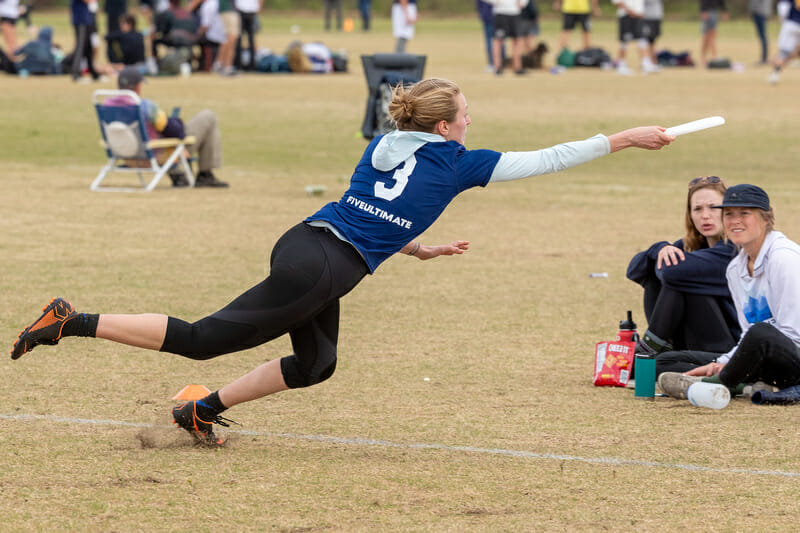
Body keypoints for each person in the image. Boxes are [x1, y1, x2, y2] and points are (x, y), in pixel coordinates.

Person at [10, 78, 673, 446]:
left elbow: (375, 208)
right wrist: (623, 139)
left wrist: (412, 245)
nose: (472, 123)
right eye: (466, 115)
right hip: (322, 266)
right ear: (444, 128)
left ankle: (200, 411)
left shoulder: (387, 145)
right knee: (201, 338)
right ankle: (74, 319)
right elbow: (552, 157)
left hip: (310, 243)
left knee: (317, 364)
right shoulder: (461, 163)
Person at [656, 184, 800, 400]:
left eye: (745, 213)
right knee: (663, 361)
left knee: (761, 333)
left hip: (791, 355)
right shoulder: (735, 268)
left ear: (766, 219)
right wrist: (724, 362)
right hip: (761, 358)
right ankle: (741, 383)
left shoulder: (783, 258)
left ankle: (713, 385)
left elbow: (793, 333)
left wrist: (734, 365)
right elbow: (746, 332)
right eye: (729, 214)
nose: (735, 221)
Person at [627, 176, 739, 374]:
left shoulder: (732, 251)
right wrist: (660, 248)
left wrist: (663, 257)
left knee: (677, 277)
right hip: (693, 344)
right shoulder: (691, 246)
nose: (705, 215)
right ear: (690, 215)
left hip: (727, 350)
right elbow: (636, 270)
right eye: (697, 209)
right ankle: (659, 348)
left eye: (713, 207)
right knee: (664, 266)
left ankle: (650, 348)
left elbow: (672, 274)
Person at [108, 66, 229, 187]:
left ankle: (180, 173)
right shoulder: (145, 107)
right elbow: (175, 132)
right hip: (157, 155)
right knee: (208, 116)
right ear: (138, 86)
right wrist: (175, 120)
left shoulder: (108, 107)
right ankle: (204, 174)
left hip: (127, 156)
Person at [490, 0, 527, 75]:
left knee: (517, 40)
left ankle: (518, 67)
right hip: (501, 12)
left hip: (515, 12)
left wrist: (523, 2)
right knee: (498, 40)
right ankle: (498, 67)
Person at [767, 0, 799, 84]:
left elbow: (783, 9)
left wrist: (783, 22)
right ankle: (783, 61)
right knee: (796, 52)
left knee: (784, 52)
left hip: (791, 24)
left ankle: (775, 74)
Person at [69, 0, 102, 82]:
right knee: (80, 46)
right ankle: (76, 73)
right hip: (81, 20)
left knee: (88, 47)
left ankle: (93, 73)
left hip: (87, 19)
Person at [613, 0, 645, 75]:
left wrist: (640, 11)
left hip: (638, 16)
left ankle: (645, 63)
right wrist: (630, 11)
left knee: (642, 40)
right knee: (624, 42)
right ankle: (621, 64)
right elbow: (617, 2)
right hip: (626, 16)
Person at [699, 0, 728, 67]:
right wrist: (703, 10)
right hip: (707, 11)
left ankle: (703, 58)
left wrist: (724, 10)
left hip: (714, 11)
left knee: (708, 36)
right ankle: (714, 56)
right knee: (709, 35)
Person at [234, 0, 259, 71]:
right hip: (246, 10)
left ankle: (242, 65)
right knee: (243, 39)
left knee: (247, 40)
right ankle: (244, 65)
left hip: (247, 10)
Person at [640, 0, 663, 73]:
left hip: (657, 16)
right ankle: (645, 63)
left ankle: (653, 63)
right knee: (644, 40)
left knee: (652, 41)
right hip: (647, 17)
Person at [749, 0, 771, 65]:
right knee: (762, 36)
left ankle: (764, 58)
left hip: (760, 13)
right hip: (763, 13)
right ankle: (764, 58)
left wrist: (751, 10)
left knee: (763, 36)